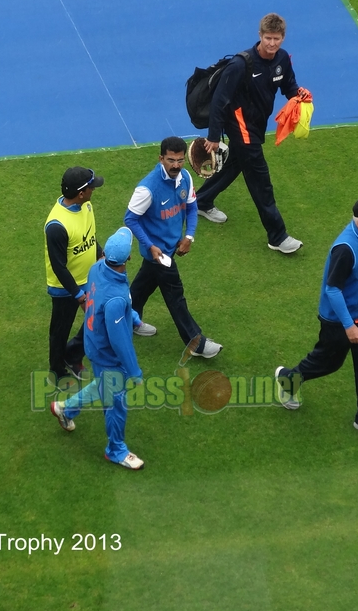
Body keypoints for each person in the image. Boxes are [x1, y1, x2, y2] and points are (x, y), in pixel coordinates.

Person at [274, 196, 358, 439]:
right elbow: (333, 289)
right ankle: (288, 379)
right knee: (327, 363)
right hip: (339, 321)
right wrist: (349, 326)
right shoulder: (345, 248)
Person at [197, 13, 305, 255]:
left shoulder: (283, 60)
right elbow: (219, 101)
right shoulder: (240, 64)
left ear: (283, 37)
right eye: (268, 38)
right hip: (241, 128)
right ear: (260, 35)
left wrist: (300, 95)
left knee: (234, 164)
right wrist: (213, 136)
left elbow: (289, 86)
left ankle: (201, 201)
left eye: (277, 39)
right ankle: (277, 236)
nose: (272, 43)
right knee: (261, 183)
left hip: (257, 126)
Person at [50, 228, 146, 469]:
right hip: (107, 353)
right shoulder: (116, 300)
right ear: (127, 259)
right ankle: (115, 450)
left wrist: (132, 315)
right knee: (116, 402)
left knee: (104, 386)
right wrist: (134, 371)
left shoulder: (97, 268)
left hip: (92, 343)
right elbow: (120, 341)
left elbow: (101, 302)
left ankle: (65, 408)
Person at [124, 137, 222, 358]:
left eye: (179, 160)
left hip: (169, 248)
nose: (176, 165)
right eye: (170, 160)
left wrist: (189, 236)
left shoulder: (185, 177)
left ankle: (125, 320)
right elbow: (130, 218)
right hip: (159, 255)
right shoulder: (147, 189)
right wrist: (150, 246)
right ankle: (196, 343)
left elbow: (191, 206)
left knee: (140, 289)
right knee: (175, 296)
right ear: (161, 159)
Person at [44, 167, 104, 383]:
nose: (94, 189)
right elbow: (59, 266)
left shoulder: (86, 205)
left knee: (96, 317)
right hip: (65, 288)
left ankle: (73, 354)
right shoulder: (56, 226)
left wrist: (101, 254)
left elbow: (89, 235)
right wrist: (78, 295)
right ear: (81, 192)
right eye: (91, 187)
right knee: (60, 330)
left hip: (89, 278)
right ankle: (57, 370)